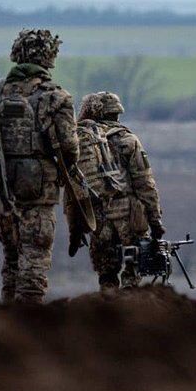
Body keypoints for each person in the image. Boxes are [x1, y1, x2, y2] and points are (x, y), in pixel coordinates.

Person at [0, 29, 77, 303]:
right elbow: (70, 148)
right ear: (48, 57)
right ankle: (26, 326)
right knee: (34, 260)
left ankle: (8, 322)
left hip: (1, 193)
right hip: (38, 194)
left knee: (11, 260)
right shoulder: (55, 97)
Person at [78, 91, 165, 289]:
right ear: (116, 114)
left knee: (106, 273)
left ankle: (108, 309)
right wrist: (155, 221)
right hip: (129, 214)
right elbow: (146, 185)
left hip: (97, 215)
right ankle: (128, 308)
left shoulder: (80, 141)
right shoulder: (128, 140)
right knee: (132, 267)